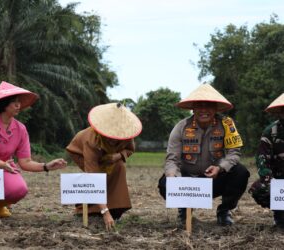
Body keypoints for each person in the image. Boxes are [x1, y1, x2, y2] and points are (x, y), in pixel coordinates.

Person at [0, 81, 67, 220]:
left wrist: (46, 166)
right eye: (14, 102)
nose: (18, 105)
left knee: (19, 189)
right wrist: (2, 165)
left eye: (19, 102)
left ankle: (0, 204)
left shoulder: (21, 128)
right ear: (4, 104)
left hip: (4, 167)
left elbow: (25, 162)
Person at [158, 84, 249, 226]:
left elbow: (234, 153)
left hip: (214, 180)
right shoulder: (181, 127)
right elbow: (172, 158)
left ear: (216, 108)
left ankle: (224, 211)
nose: (204, 110)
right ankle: (184, 210)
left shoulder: (227, 125)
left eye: (209, 106)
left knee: (241, 172)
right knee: (165, 183)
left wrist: (220, 168)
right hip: (187, 180)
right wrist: (172, 176)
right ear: (193, 108)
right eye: (199, 106)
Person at [66, 103, 142, 230]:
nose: (113, 140)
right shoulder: (91, 141)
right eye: (109, 136)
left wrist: (118, 156)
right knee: (97, 178)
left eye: (116, 137)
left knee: (119, 167)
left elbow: (129, 150)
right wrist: (105, 213)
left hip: (111, 157)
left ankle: (115, 208)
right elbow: (93, 178)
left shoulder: (127, 133)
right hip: (81, 153)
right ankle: (89, 210)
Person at [249, 93, 284, 228]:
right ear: (280, 112)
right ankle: (279, 213)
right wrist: (271, 183)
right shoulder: (271, 132)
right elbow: (262, 161)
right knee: (259, 189)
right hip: (279, 180)